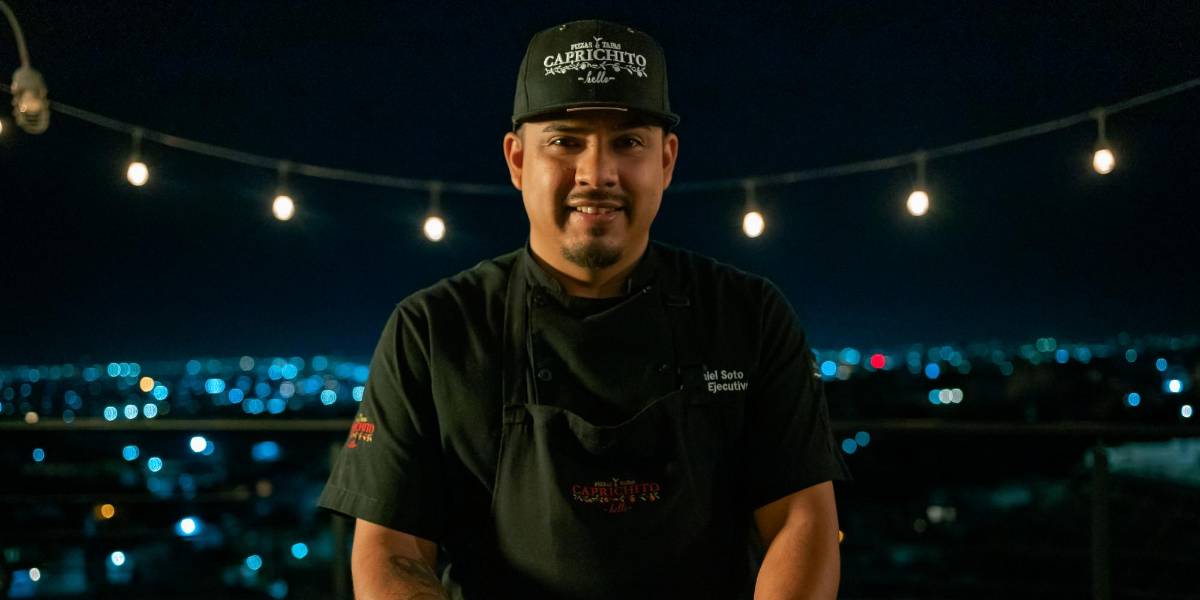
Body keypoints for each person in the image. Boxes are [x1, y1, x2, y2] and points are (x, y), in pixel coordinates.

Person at [318, 19, 851, 599]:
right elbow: (390, 553)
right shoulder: (432, 329)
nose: (597, 174)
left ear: (666, 161)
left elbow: (803, 518)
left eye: (628, 142)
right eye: (565, 141)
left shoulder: (749, 314)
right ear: (517, 160)